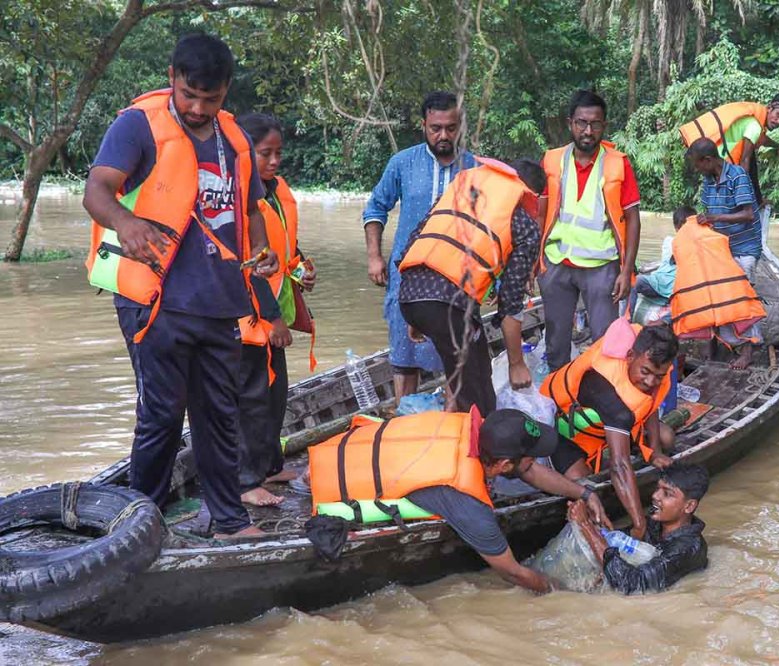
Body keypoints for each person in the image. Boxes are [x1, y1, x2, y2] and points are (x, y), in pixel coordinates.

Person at [83, 34, 278, 537]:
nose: (196, 108)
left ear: (226, 92)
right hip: (156, 299)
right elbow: (97, 190)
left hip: (218, 301)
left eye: (209, 100)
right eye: (189, 94)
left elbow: (250, 210)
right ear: (172, 78)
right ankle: (136, 523)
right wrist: (127, 225)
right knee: (163, 417)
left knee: (219, 415)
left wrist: (261, 254)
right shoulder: (137, 125)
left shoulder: (233, 139)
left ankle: (229, 520)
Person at [309, 408, 612, 593]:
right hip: (329, 487)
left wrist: (584, 492)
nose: (533, 461)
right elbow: (511, 571)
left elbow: (529, 470)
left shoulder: (467, 429)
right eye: (529, 456)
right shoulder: (470, 506)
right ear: (504, 465)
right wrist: (557, 591)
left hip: (337, 453)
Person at [398, 158, 545, 415]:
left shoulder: (460, 192)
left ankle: (451, 416)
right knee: (479, 404)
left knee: (474, 373)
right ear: (531, 194)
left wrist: (417, 317)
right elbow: (510, 303)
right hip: (446, 307)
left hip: (410, 296)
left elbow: (414, 243)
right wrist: (516, 364)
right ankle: (467, 448)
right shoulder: (523, 221)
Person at [362, 91, 477, 404]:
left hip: (455, 279)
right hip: (405, 275)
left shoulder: (474, 169)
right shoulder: (403, 163)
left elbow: (487, 227)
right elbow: (375, 209)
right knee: (403, 353)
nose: (443, 135)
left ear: (460, 127)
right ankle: (403, 418)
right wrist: (374, 257)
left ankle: (450, 425)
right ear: (423, 125)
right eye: (435, 128)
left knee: (455, 356)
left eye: (450, 128)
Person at [234, 113, 318, 507]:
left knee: (276, 393)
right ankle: (244, 480)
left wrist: (302, 268)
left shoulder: (275, 190)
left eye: (277, 153)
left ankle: (269, 465)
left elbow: (286, 246)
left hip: (277, 306)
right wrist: (272, 318)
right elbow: (247, 264)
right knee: (251, 397)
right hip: (253, 316)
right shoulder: (238, 198)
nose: (273, 161)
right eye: (264, 153)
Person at [540, 319, 677, 540]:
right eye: (645, 372)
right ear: (630, 355)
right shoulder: (607, 389)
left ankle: (623, 449)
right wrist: (639, 523)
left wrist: (654, 451)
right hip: (563, 430)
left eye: (659, 376)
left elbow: (649, 401)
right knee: (582, 483)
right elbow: (620, 465)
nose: (651, 381)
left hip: (603, 428)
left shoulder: (654, 358)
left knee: (666, 437)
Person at [538, 89, 642, 370]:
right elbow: (540, 212)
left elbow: (633, 218)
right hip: (557, 262)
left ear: (604, 126)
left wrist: (626, 270)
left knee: (605, 341)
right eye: (582, 123)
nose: (588, 130)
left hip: (602, 267)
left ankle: (603, 399)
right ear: (570, 123)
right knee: (556, 340)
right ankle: (557, 397)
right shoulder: (551, 160)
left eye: (595, 124)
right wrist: (534, 263)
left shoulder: (618, 163)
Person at [567, 463, 709, 594]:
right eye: (657, 488)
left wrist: (585, 526)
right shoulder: (655, 524)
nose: (655, 496)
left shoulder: (685, 549)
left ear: (689, 506)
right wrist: (594, 523)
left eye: (667, 493)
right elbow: (620, 542)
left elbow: (631, 586)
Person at [685, 137, 763, 369]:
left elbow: (748, 214)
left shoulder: (737, 176)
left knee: (740, 300)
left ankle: (747, 350)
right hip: (723, 247)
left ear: (708, 160)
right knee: (718, 295)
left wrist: (714, 218)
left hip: (745, 248)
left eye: (698, 164)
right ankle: (717, 345)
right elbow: (709, 213)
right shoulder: (708, 181)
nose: (697, 170)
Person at [678, 93, 779, 204]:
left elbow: (763, 139)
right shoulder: (754, 125)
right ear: (770, 108)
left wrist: (778, 146)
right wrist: (742, 195)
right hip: (719, 167)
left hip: (711, 161)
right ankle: (751, 201)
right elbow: (744, 161)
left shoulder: (754, 120)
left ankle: (756, 200)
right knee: (750, 163)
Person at [628, 206, 694, 324]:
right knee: (633, 282)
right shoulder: (671, 242)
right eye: (681, 227)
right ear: (676, 228)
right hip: (657, 282)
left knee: (686, 305)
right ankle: (628, 320)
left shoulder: (699, 245)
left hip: (678, 290)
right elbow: (673, 259)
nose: (685, 231)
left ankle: (661, 322)